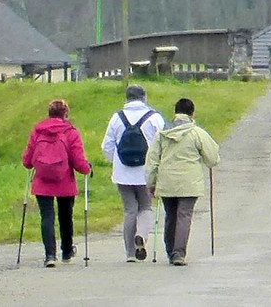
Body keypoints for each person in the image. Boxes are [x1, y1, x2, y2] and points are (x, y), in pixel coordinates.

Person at [146, 98, 220, 266]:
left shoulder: (162, 134)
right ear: (192, 113)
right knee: (184, 215)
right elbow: (212, 158)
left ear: (175, 112)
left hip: (167, 182)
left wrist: (151, 182)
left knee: (171, 215)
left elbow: (152, 160)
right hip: (189, 183)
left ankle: (170, 250)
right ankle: (179, 253)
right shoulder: (197, 133)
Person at [22, 99, 91, 268]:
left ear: (49, 113)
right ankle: (67, 251)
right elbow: (78, 160)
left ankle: (50, 255)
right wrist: (86, 169)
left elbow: (27, 161)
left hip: (42, 181)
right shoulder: (70, 132)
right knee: (65, 216)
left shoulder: (38, 131)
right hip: (64, 180)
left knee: (47, 216)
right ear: (65, 114)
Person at [102, 85, 166, 262]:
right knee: (145, 207)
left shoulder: (117, 117)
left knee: (130, 210)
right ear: (144, 97)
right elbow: (162, 145)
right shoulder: (154, 118)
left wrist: (115, 161)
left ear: (127, 98)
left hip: (122, 172)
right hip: (146, 172)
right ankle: (142, 235)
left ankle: (130, 253)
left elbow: (106, 146)